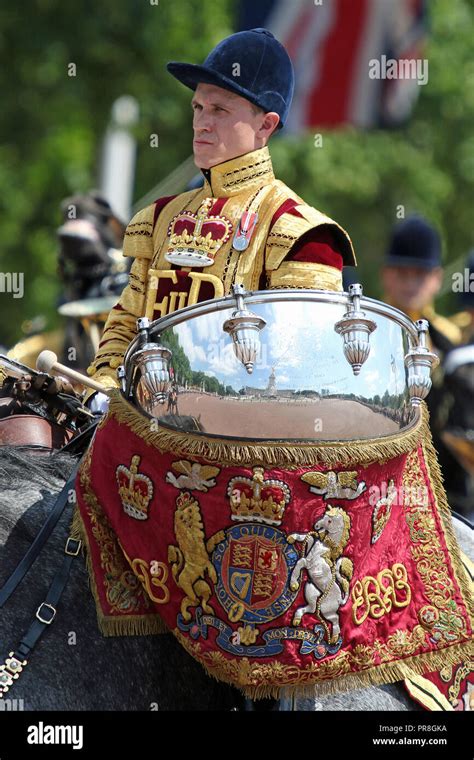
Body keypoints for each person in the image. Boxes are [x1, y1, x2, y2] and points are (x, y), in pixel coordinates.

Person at [84, 28, 355, 407]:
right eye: (198, 107)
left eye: (219, 110)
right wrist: (105, 385)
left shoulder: (299, 230)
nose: (201, 123)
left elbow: (303, 366)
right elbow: (127, 319)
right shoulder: (159, 217)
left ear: (266, 125)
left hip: (242, 444)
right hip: (140, 426)